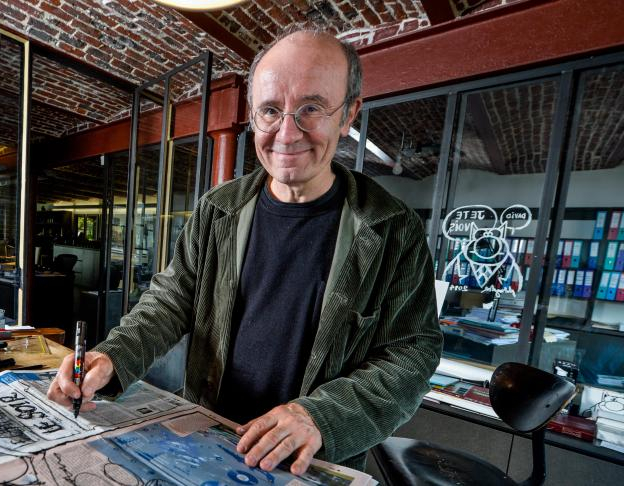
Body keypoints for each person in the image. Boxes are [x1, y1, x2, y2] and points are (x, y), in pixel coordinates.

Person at [47, 27, 443, 475]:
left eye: (311, 108)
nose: (287, 133)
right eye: (270, 111)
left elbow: (411, 353)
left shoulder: (391, 228)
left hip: (310, 462)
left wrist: (321, 416)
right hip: (207, 442)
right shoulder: (218, 209)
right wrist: (113, 355)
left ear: (348, 113)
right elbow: (170, 301)